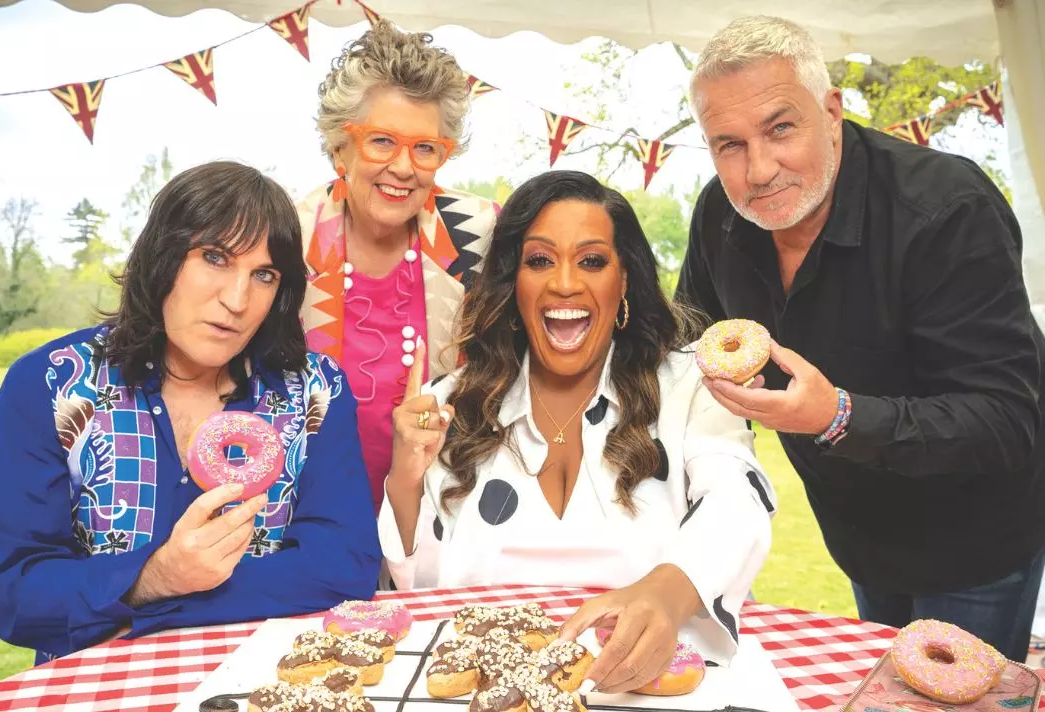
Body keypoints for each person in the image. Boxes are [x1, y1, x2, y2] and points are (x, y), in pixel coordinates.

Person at [674, 15, 1045, 662]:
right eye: (727, 144)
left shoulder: (947, 211)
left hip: (975, 542)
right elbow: (689, 341)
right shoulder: (719, 217)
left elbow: (1009, 418)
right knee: (883, 687)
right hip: (859, 537)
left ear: (832, 110)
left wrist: (837, 415)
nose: (758, 170)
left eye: (780, 128)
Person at [378, 170, 776, 692]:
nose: (565, 283)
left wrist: (664, 593)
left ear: (625, 279)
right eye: (540, 260)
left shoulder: (691, 387)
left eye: (592, 261)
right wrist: (404, 479)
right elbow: (424, 593)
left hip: (650, 693)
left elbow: (736, 505)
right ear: (512, 282)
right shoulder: (453, 401)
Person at [0, 161, 382, 663]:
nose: (237, 299)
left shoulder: (316, 391)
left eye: (264, 274)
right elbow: (14, 594)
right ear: (162, 257)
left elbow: (345, 566)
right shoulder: (51, 383)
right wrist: (154, 576)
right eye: (214, 257)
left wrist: (148, 605)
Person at [296, 20, 498, 515]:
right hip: (302, 517)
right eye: (382, 141)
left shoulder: (482, 234)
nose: (405, 168)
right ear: (339, 147)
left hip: (443, 513)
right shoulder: (287, 236)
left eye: (425, 148)